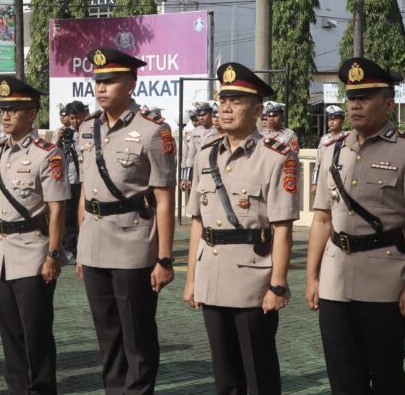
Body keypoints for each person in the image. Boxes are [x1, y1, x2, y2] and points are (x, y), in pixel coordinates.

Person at [306, 57, 405, 394]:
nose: (356, 105)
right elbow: (321, 219)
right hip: (335, 280)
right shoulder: (333, 152)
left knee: (386, 375)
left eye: (365, 98)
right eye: (352, 98)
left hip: (386, 282)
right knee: (343, 377)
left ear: (389, 103)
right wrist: (312, 277)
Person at [183, 62, 299, 395]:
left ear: (258, 110)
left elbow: (282, 229)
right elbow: (197, 224)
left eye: (237, 101)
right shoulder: (207, 155)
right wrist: (192, 279)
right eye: (223, 101)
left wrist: (277, 286)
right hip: (212, 275)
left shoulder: (276, 157)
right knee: (225, 377)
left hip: (253, 280)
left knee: (257, 375)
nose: (227, 108)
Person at [75, 46, 177, 394]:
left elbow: (164, 198)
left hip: (134, 243)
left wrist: (164, 258)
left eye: (111, 81)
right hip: (94, 242)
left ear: (131, 85)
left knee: (137, 335)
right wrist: (80, 244)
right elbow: (85, 192)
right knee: (107, 334)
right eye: (98, 81)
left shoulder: (153, 131)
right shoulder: (86, 129)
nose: (101, 88)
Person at [0, 76, 70, 394]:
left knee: (34, 330)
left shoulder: (47, 154)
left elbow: (57, 209)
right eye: (3, 109)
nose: (6, 116)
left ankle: (40, 388)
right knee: (10, 331)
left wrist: (53, 254)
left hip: (34, 251)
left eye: (14, 109)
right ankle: (17, 387)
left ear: (32, 113)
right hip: (5, 252)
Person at [52, 100, 83, 264]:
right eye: (72, 118)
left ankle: (83, 248)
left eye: (77, 117)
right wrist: (58, 140)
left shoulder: (90, 131)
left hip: (86, 181)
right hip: (69, 180)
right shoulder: (62, 132)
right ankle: (70, 250)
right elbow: (52, 154)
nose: (74, 122)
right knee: (69, 218)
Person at [311, 105, 347, 194]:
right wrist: (314, 183)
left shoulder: (347, 138)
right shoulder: (324, 139)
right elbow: (318, 163)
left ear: (342, 121)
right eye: (330, 119)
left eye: (335, 119)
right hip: (324, 178)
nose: (331, 122)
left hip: (341, 179)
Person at [180, 103, 212, 191]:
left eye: (203, 115)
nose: (195, 122)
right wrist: (186, 177)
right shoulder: (192, 134)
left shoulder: (216, 131)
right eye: (192, 120)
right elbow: (188, 157)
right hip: (195, 172)